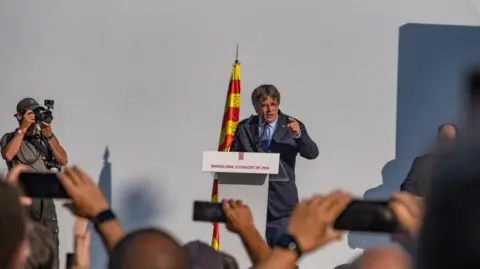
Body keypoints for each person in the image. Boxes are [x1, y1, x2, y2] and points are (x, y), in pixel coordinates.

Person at [230, 84, 319, 246]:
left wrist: (299, 135)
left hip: (281, 204)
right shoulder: (245, 127)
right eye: (264, 105)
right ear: (256, 107)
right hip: (250, 201)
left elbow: (312, 153)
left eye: (273, 104)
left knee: (282, 255)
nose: (270, 110)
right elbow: (232, 160)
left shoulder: (292, 125)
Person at [0, 97, 68, 267]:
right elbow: (8, 155)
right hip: (24, 202)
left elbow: (63, 160)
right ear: (20, 116)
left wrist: (49, 134)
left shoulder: (44, 138)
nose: (34, 119)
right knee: (24, 250)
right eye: (30, 114)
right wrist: (22, 129)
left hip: (46, 204)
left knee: (49, 249)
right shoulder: (10, 137)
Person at [400, 122, 458, 197]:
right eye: (444, 139)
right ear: (438, 139)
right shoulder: (421, 163)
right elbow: (406, 188)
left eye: (450, 140)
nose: (447, 143)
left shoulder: (465, 168)